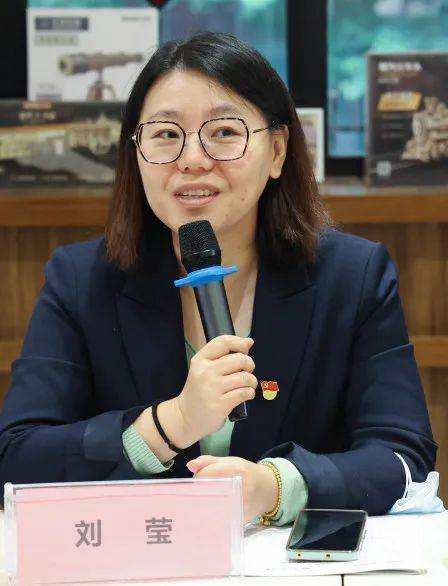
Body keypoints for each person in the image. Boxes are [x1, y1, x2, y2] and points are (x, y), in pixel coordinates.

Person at [0, 32, 436, 525]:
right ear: (135, 153)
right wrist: (171, 424)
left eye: (224, 132)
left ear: (277, 151)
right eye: (166, 135)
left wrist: (274, 487)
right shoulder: (80, 281)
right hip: (141, 555)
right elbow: (15, 459)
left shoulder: (353, 277)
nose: (192, 159)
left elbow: (404, 457)